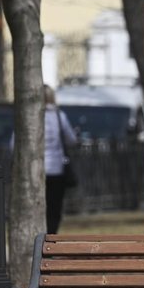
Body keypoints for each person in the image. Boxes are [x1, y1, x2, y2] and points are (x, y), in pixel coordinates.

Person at [42, 84, 78, 233]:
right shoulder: (59, 116)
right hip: (56, 169)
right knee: (54, 207)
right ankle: (51, 236)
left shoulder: (29, 117)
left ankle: (39, 237)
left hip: (38, 170)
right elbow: (71, 139)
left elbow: (14, 145)